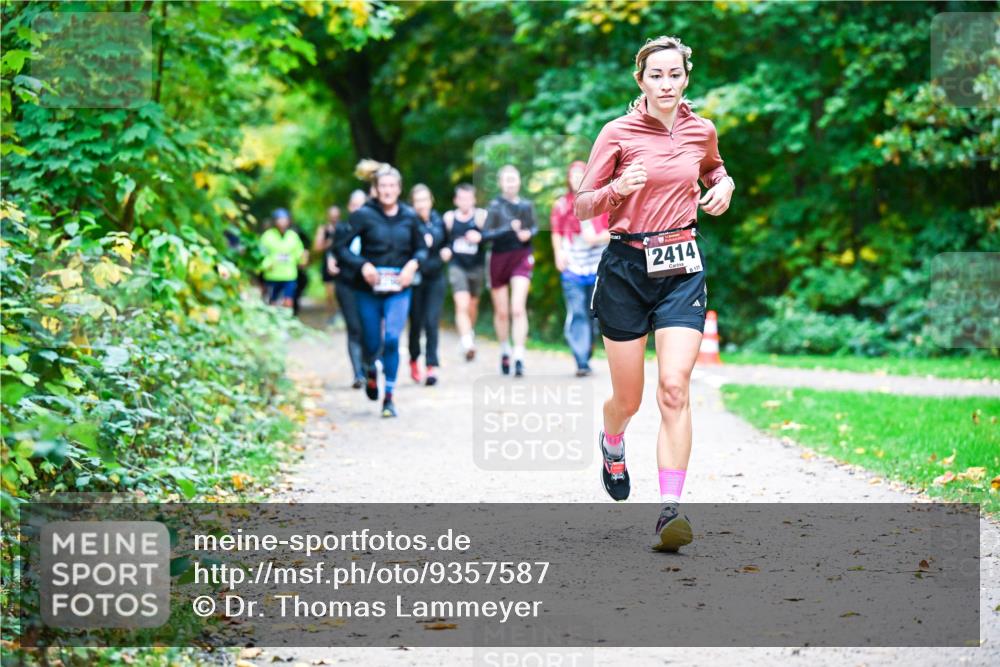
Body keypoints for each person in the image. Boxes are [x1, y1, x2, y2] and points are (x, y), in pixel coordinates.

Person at [574, 36, 735, 551]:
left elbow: (712, 167)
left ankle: (670, 512)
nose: (666, 84)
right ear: (640, 80)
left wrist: (725, 182)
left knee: (673, 388)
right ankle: (613, 442)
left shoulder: (700, 129)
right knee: (630, 398)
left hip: (681, 265)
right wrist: (618, 190)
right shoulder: (617, 133)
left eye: (675, 74)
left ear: (686, 77)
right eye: (656, 75)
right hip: (625, 266)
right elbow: (582, 206)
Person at [334, 162, 428, 418]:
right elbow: (339, 248)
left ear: (399, 189)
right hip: (369, 289)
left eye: (392, 186)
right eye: (382, 186)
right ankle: (370, 369)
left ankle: (389, 397)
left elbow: (422, 248)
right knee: (371, 341)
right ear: (375, 189)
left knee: (392, 339)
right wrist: (362, 265)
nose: (387, 190)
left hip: (398, 288)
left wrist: (413, 264)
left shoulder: (410, 217)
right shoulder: (363, 215)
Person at [551, 160, 610, 377]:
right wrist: (558, 253)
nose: (576, 178)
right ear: (568, 179)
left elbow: (614, 230)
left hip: (596, 268)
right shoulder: (561, 205)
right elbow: (556, 231)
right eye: (573, 174)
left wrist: (596, 238)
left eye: (581, 174)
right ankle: (581, 360)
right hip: (572, 267)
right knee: (577, 313)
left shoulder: (600, 201)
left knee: (593, 314)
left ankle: (587, 349)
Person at [481, 165, 536, 377]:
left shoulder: (526, 205)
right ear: (501, 183)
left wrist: (527, 233)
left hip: (521, 257)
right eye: (507, 180)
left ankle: (519, 356)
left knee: (517, 309)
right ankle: (505, 349)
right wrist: (509, 228)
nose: (511, 183)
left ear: (519, 182)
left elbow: (532, 228)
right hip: (498, 259)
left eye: (514, 179)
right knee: (502, 313)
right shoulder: (494, 206)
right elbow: (485, 235)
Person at [407, 184, 450, 386]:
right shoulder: (408, 222)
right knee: (416, 323)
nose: (422, 204)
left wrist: (448, 251)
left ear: (431, 200)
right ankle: (414, 359)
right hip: (415, 279)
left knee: (432, 321)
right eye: (418, 201)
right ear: (412, 203)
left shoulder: (438, 221)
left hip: (435, 277)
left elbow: (449, 242)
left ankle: (431, 366)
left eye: (425, 199)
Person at [443, 184, 488, 361]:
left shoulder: (480, 216)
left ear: (474, 200)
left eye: (468, 198)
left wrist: (481, 237)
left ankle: (469, 332)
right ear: (456, 200)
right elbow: (443, 239)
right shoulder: (449, 218)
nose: (465, 202)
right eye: (461, 198)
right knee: (461, 304)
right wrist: (445, 249)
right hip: (457, 266)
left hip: (476, 267)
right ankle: (467, 342)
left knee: (472, 306)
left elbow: (493, 235)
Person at [326, 203, 365, 389]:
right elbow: (333, 249)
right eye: (354, 205)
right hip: (346, 284)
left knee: (369, 327)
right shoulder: (342, 228)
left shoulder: (373, 227)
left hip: (367, 286)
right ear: (348, 207)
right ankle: (358, 373)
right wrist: (330, 259)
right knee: (354, 327)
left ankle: (369, 366)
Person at [259, 208, 306, 309]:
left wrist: (303, 258)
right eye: (280, 219)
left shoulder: (293, 236)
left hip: (289, 275)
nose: (283, 222)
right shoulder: (267, 236)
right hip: (272, 275)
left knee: (288, 302)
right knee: (273, 303)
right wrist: (267, 264)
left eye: (285, 219)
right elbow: (261, 255)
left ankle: (287, 320)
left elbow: (299, 253)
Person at [315, 206, 343, 326]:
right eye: (332, 215)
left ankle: (341, 315)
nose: (334, 218)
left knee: (341, 292)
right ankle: (331, 315)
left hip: (342, 264)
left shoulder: (344, 227)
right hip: (327, 265)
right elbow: (317, 248)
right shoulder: (323, 229)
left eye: (336, 215)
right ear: (328, 216)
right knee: (330, 293)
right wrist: (329, 243)